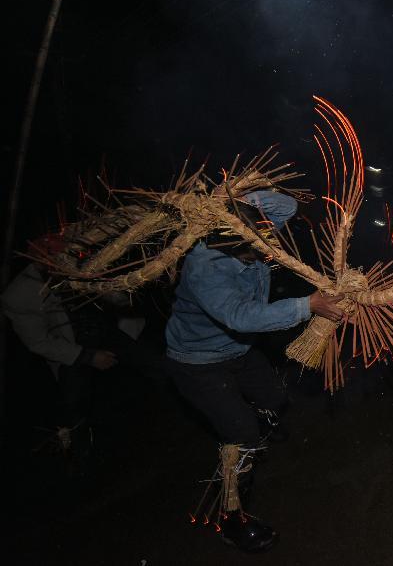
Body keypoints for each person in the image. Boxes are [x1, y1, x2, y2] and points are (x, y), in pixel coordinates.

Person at [163, 189, 344, 553]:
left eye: (266, 237)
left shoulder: (247, 231)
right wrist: (308, 304)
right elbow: (242, 317)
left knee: (274, 399)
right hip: (199, 363)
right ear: (230, 246)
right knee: (242, 433)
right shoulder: (205, 266)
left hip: (239, 351)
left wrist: (233, 203)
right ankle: (232, 517)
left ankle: (254, 432)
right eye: (254, 247)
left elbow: (287, 206)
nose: (267, 249)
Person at [1, 232, 120, 472]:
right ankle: (81, 458)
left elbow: (118, 297)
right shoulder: (19, 294)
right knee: (74, 402)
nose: (63, 258)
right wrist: (89, 356)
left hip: (106, 332)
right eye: (55, 254)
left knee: (155, 363)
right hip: (71, 350)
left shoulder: (81, 265)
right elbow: (39, 342)